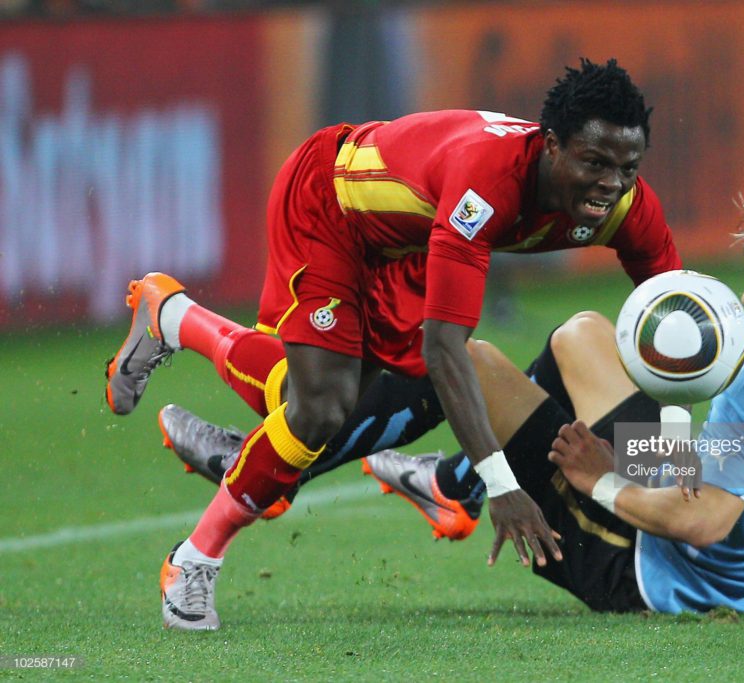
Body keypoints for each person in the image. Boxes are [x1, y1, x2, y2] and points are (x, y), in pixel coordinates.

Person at [160, 188, 744, 614]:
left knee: (462, 361)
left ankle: (273, 463)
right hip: (714, 515)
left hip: (641, 572)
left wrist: (601, 477)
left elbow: (704, 519)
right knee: (582, 335)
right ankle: (455, 485)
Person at [103, 58, 681, 630]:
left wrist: (677, 462)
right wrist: (501, 483)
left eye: (628, 166)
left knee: (307, 408)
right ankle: (195, 559)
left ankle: (175, 317)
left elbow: (675, 335)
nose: (611, 183)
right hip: (332, 205)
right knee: (317, 412)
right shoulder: (488, 184)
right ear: (552, 145)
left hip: (409, 245)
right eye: (595, 162)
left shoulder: (625, 206)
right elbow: (444, 350)